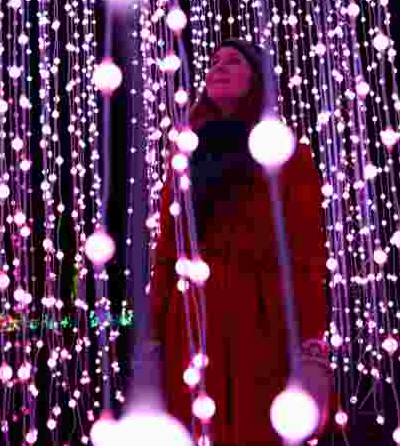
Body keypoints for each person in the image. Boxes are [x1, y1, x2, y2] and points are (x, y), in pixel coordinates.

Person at [145, 38, 341, 446]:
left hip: (262, 323)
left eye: (234, 61)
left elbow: (306, 256)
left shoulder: (287, 154)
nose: (219, 66)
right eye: (215, 61)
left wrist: (312, 349)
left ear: (257, 79)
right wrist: (151, 341)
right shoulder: (186, 154)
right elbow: (167, 252)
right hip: (192, 325)